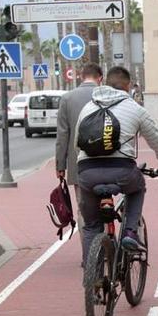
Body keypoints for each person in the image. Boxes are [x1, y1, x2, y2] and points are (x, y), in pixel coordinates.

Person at [76, 66, 158, 262]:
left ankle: (92, 277)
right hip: (122, 171)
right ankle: (130, 232)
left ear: (104, 83)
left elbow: (76, 145)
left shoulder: (88, 108)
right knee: (137, 188)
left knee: (90, 225)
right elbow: (157, 142)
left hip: (87, 172)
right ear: (128, 85)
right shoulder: (135, 109)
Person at [56, 62, 103, 233]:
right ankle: (107, 246)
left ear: (81, 77)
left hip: (79, 165)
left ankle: (89, 253)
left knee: (84, 210)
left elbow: (62, 135)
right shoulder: (107, 95)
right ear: (100, 78)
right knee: (105, 206)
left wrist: (60, 166)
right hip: (106, 162)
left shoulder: (67, 98)